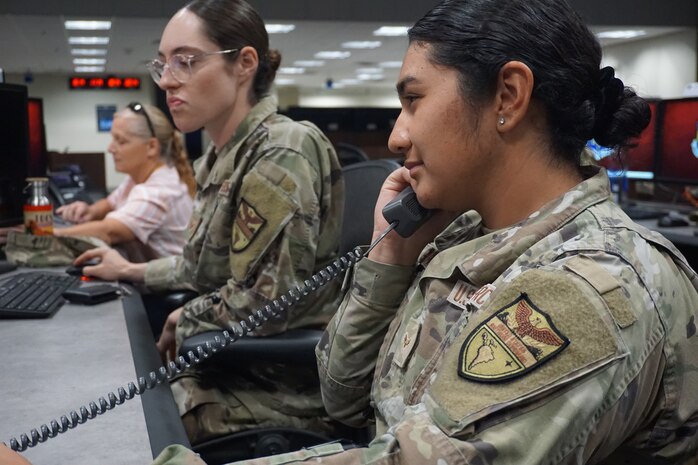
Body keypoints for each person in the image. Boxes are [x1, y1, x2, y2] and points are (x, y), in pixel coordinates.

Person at [144, 0, 698, 463]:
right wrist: (390, 258)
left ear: (507, 96)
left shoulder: (588, 285)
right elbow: (340, 396)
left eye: (413, 100)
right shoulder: (459, 232)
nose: (396, 137)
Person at [74, 0, 344, 447]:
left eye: (187, 61)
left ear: (244, 64)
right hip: (230, 361)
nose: (167, 80)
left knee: (117, 436)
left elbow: (267, 300)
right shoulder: (221, 157)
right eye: (162, 64)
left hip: (274, 384)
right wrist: (130, 272)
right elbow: (202, 268)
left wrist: (186, 316)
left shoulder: (280, 151)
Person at [54, 103, 196, 261]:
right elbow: (110, 202)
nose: (110, 148)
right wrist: (90, 211)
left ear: (151, 146)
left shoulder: (158, 191)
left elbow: (108, 232)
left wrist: (49, 233)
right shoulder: (137, 178)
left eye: (120, 141)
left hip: (172, 284)